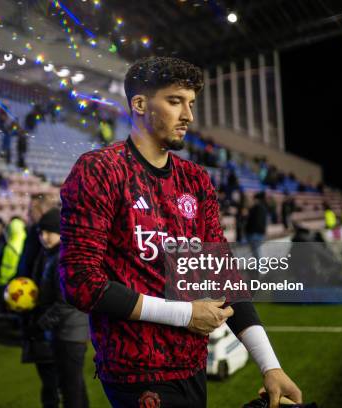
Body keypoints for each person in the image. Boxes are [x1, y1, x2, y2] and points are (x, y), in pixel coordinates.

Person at [59, 56, 301, 408]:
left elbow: (222, 272)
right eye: (175, 101)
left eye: (191, 104)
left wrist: (270, 365)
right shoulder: (100, 170)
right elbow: (80, 282)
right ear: (140, 104)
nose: (188, 115)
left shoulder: (196, 179)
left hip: (192, 364)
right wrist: (186, 314)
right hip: (136, 372)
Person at [36, 208, 89, 408]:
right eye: (41, 232)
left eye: (49, 232)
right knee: (74, 386)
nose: (44, 237)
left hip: (69, 333)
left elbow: (65, 302)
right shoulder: (55, 255)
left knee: (70, 390)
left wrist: (41, 323)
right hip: (69, 331)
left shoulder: (62, 257)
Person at [17, 193, 61, 408]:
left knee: (60, 385)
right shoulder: (44, 248)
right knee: (53, 383)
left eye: (32, 210)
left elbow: (62, 302)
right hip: (40, 318)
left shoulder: (57, 254)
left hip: (51, 325)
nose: (28, 214)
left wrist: (39, 323)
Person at [0, 217, 27, 286]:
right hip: (22, 281)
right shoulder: (27, 242)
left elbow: (5, 268)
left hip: (7, 282)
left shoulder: (10, 247)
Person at [246, 191, 268, 259]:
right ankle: (258, 268)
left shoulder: (256, 208)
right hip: (259, 233)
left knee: (257, 253)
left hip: (254, 233)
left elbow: (254, 221)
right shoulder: (263, 208)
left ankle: (259, 268)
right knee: (257, 252)